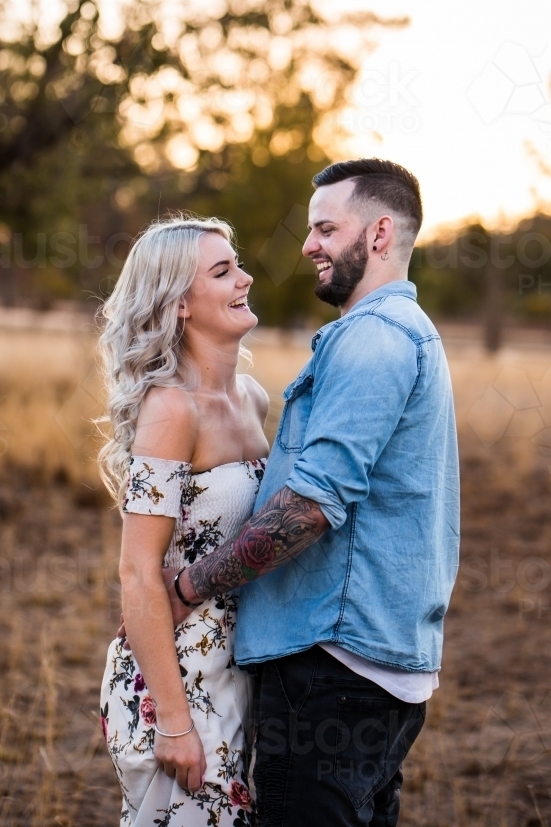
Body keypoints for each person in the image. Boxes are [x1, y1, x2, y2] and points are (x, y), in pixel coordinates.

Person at [164, 159, 460, 827]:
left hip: (333, 670)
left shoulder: (373, 343)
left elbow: (310, 509)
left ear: (379, 234)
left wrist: (187, 586)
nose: (307, 246)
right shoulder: (402, 334)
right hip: (367, 672)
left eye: (325, 228)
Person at [98, 215, 269, 826]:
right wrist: (173, 723)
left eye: (237, 263)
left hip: (240, 665)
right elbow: (137, 572)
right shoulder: (170, 410)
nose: (245, 278)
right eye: (223, 272)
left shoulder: (252, 398)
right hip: (177, 679)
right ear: (178, 306)